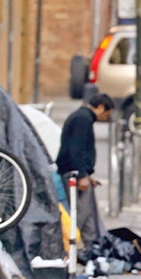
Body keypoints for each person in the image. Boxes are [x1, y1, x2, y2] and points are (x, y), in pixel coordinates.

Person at [56, 93, 114, 247]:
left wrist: (88, 174)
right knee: (80, 212)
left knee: (87, 212)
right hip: (74, 172)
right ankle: (68, 244)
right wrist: (82, 174)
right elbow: (77, 149)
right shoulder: (83, 119)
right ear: (100, 107)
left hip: (77, 171)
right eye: (106, 113)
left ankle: (92, 246)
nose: (105, 117)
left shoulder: (82, 117)